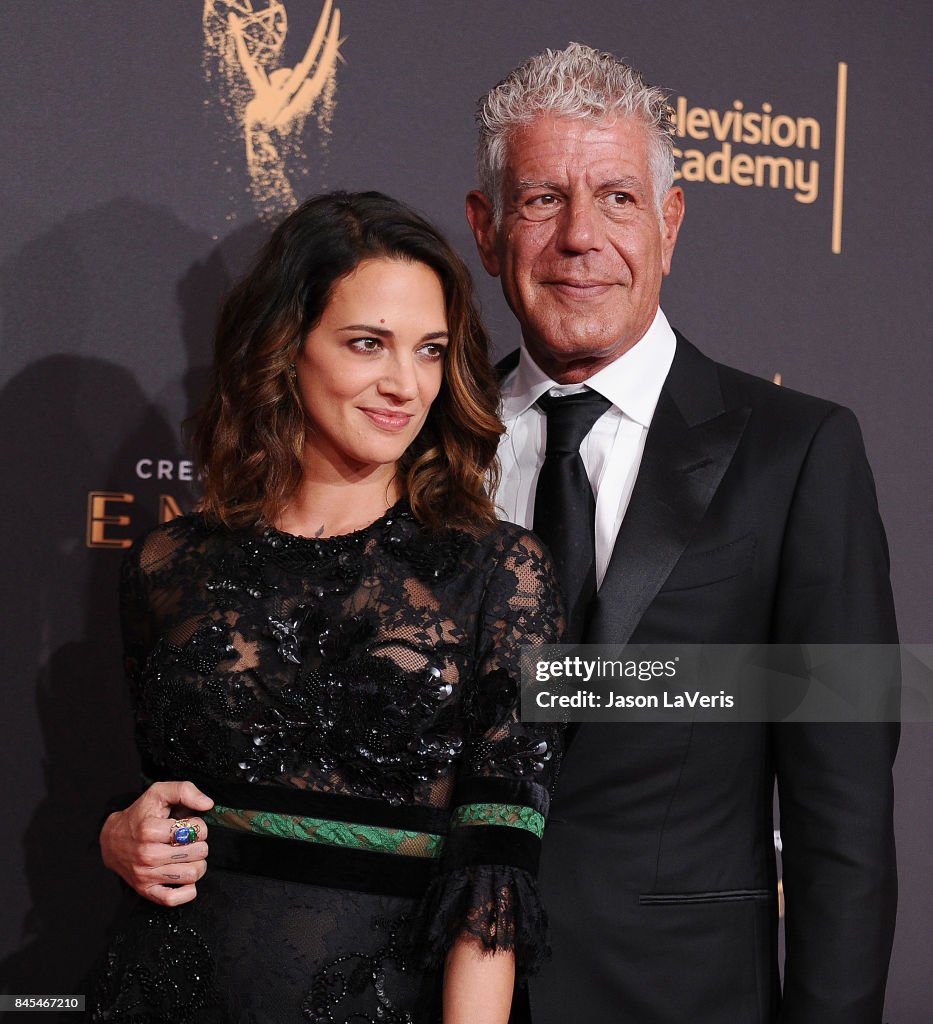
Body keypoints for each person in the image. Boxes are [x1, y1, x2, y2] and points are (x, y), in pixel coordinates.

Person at [464, 44, 898, 1024]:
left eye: (618, 199)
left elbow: (846, 821)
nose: (581, 238)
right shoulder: (431, 449)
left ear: (670, 223)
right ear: (485, 229)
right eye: (541, 200)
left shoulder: (801, 453)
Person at [92, 191, 564, 1024]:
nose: (404, 384)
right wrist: (120, 836)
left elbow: (492, 879)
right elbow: (156, 805)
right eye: (366, 344)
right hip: (165, 989)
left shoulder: (500, 572)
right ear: (286, 347)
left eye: (428, 351)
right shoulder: (169, 563)